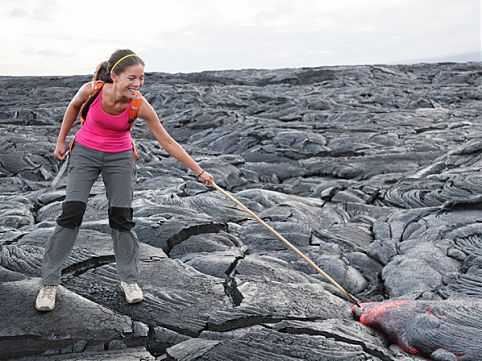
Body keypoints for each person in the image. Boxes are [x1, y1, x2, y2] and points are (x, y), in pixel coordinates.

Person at [35, 49, 215, 311]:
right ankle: (49, 284)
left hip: (120, 158)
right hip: (85, 154)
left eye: (142, 78)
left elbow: (167, 141)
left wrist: (199, 171)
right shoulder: (92, 90)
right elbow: (73, 107)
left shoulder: (139, 105)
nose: (138, 84)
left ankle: (129, 281)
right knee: (71, 213)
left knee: (121, 217)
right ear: (115, 76)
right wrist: (61, 140)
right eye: (132, 78)